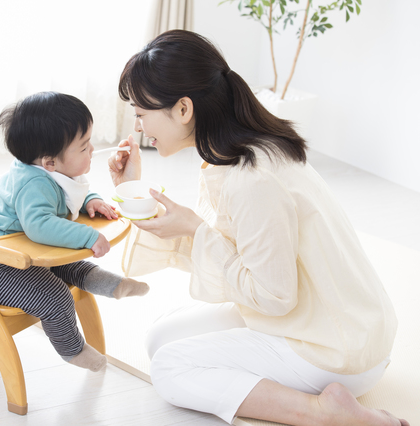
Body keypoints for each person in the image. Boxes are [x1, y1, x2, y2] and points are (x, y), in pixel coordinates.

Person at [109, 30, 408, 426]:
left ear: (183, 109)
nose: (139, 125)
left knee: (169, 368)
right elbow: (223, 251)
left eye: (141, 112)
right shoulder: (239, 152)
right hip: (331, 321)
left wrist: (198, 231)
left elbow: (273, 297)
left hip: (336, 349)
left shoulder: (252, 178)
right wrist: (131, 189)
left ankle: (324, 411)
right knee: (159, 339)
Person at [0, 91, 149, 372]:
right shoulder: (32, 183)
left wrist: (91, 201)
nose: (92, 151)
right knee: (56, 294)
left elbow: (68, 196)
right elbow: (40, 225)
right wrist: (89, 236)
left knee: (72, 268)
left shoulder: (53, 168)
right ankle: (72, 349)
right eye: (84, 147)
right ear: (50, 162)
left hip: (24, 254)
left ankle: (115, 286)